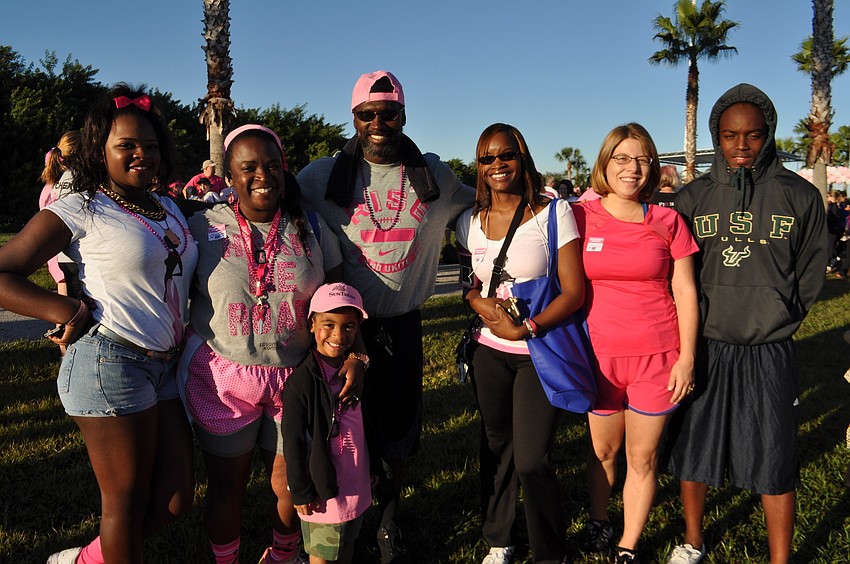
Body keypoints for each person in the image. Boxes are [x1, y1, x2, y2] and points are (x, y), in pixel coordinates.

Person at [0, 83, 198, 563]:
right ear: (98, 150)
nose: (141, 155)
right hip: (110, 362)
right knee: (124, 507)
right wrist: (65, 310)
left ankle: (82, 561)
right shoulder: (80, 207)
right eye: (126, 146)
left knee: (176, 498)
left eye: (150, 146)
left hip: (166, 366)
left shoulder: (167, 206)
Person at [296, 70, 475, 562]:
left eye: (388, 113)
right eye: (366, 114)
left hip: (402, 323)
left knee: (398, 432)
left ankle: (389, 523)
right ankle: (343, 514)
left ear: (403, 115)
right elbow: (273, 204)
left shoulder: (434, 176)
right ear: (353, 117)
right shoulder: (320, 177)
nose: (378, 122)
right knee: (344, 425)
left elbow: (486, 205)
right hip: (343, 327)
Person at [665, 83, 828, 564]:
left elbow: (812, 270)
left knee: (774, 454)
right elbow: (677, 275)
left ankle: (780, 558)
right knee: (693, 447)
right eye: (731, 135)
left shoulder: (798, 195)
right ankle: (693, 540)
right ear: (717, 135)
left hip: (768, 347)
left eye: (753, 136)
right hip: (705, 344)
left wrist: (779, 314)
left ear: (768, 135)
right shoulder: (693, 197)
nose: (742, 146)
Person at [181, 124, 354, 564]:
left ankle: (282, 556)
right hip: (223, 376)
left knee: (290, 484)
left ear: (285, 170)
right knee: (227, 485)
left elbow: (338, 299)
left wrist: (353, 353)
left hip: (294, 377)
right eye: (249, 167)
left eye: (272, 165)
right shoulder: (201, 226)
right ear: (228, 176)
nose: (263, 175)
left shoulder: (310, 224)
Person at [455, 123, 584, 564]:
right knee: (496, 445)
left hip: (538, 352)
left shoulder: (553, 214)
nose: (496, 165)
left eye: (505, 155)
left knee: (531, 458)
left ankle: (551, 551)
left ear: (522, 157)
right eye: (486, 159)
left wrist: (527, 329)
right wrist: (475, 299)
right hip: (489, 352)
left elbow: (574, 291)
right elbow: (469, 278)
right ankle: (499, 539)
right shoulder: (470, 221)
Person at [571, 123, 699, 563]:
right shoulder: (578, 217)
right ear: (605, 163)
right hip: (599, 359)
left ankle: (627, 544)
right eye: (623, 158)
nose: (633, 168)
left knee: (642, 458)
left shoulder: (668, 220)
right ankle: (600, 522)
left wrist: (686, 359)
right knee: (602, 452)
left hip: (658, 359)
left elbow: (685, 291)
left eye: (643, 159)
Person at [283, 283, 374, 564]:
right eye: (328, 324)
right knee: (321, 555)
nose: (338, 335)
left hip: (355, 481)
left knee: (348, 543)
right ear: (311, 324)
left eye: (349, 327)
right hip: (322, 490)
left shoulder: (356, 371)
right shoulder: (302, 380)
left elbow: (369, 423)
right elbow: (294, 439)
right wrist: (300, 489)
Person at [38, 131, 82, 353]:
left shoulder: (52, 185)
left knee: (65, 309)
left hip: (57, 253)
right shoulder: (79, 179)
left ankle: (65, 353)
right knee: (73, 313)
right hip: (74, 252)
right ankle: (68, 353)